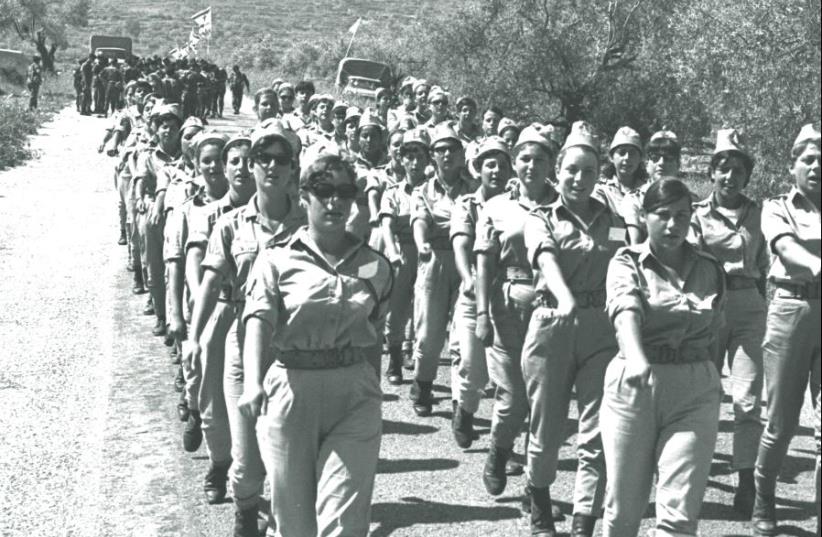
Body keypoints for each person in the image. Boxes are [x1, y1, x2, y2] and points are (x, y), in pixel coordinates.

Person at [239, 152, 392, 536]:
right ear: (303, 196)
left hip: (354, 394)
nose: (336, 201)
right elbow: (258, 320)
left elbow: (375, 327)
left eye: (345, 192)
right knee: (294, 523)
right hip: (292, 390)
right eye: (325, 191)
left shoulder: (374, 264)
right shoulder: (277, 259)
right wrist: (253, 382)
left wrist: (370, 385)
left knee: (344, 521)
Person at [602, 178, 725, 537]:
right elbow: (626, 311)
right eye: (663, 215)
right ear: (644, 217)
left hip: (694, 391)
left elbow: (716, 330)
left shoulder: (709, 268)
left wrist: (710, 381)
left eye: (682, 216)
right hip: (635, 385)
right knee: (624, 509)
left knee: (679, 515)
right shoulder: (626, 261)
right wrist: (637, 357)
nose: (673, 225)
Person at [521, 121, 623, 537]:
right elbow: (545, 259)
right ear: (556, 172)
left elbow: (624, 262)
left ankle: (584, 519)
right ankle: (540, 503)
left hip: (601, 330)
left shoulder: (613, 220)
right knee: (547, 426)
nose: (579, 179)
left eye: (588, 171)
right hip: (552, 324)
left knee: (596, 430)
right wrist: (563, 298)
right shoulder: (539, 218)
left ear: (599, 175)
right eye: (571, 170)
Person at [474, 126, 559, 499]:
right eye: (524, 158)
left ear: (550, 164)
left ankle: (533, 490)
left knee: (544, 401)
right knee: (513, 399)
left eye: (539, 159)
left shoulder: (563, 206)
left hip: (551, 310)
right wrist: (480, 313)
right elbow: (484, 264)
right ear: (515, 163)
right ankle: (497, 453)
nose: (531, 166)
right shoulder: (496, 208)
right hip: (508, 307)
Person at [689, 128, 767, 517]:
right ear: (712, 173)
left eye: (737, 170)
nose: (730, 177)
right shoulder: (698, 216)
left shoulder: (760, 213)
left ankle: (746, 478)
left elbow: (767, 263)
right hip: (711, 307)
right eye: (723, 169)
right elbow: (690, 262)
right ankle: (694, 466)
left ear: (746, 175)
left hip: (751, 307)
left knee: (748, 397)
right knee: (704, 391)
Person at [752, 123, 821, 537]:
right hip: (791, 310)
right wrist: (817, 265)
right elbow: (784, 247)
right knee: (780, 423)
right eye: (808, 160)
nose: (816, 167)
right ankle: (763, 497)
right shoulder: (776, 206)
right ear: (792, 165)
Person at [409, 123, 478, 416]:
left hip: (467, 262)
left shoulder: (475, 188)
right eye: (440, 150)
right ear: (432, 156)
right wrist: (422, 242)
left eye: (452, 148)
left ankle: (460, 404)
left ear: (462, 154)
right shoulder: (423, 190)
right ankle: (422, 384)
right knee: (428, 335)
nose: (447, 154)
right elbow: (420, 220)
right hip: (434, 261)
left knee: (463, 339)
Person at [448, 136, 511, 450]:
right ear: (479, 169)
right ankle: (465, 411)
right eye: (490, 164)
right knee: (473, 370)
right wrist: (468, 278)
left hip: (509, 298)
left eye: (502, 164)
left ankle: (503, 447)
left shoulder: (517, 205)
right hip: (474, 296)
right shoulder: (467, 204)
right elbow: (460, 243)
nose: (496, 170)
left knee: (508, 380)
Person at [380, 127, 431, 384]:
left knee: (424, 310)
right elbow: (387, 225)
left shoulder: (436, 192)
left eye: (420, 156)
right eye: (408, 156)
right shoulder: (393, 192)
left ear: (427, 159)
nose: (414, 162)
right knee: (397, 309)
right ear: (401, 159)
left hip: (428, 254)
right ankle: (395, 358)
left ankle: (421, 362)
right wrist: (391, 251)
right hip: (402, 252)